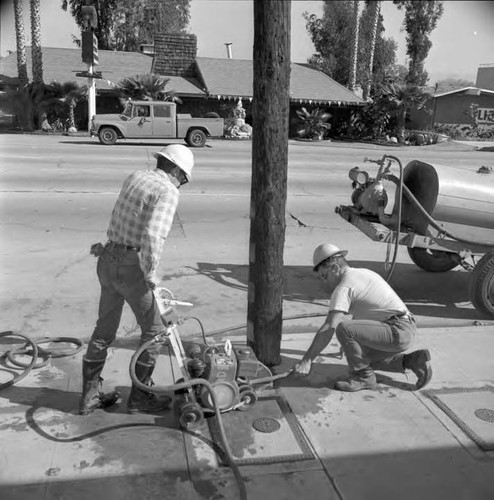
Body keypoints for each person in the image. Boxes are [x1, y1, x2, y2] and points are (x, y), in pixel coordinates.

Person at [79, 144, 194, 415]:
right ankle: (140, 396)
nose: (182, 183)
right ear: (176, 169)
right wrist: (150, 273)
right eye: (184, 178)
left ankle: (89, 396)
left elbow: (120, 216)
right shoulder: (167, 191)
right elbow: (153, 237)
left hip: (108, 259)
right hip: (132, 267)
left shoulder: (136, 176)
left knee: (103, 330)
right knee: (155, 332)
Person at [293, 243, 432, 392]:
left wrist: (306, 361)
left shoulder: (344, 287)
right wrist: (350, 346)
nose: (324, 281)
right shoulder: (363, 273)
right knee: (361, 356)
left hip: (397, 329)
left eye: (324, 275)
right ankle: (412, 361)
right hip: (404, 327)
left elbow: (329, 327)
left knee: (343, 328)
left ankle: (363, 378)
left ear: (335, 268)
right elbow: (364, 318)